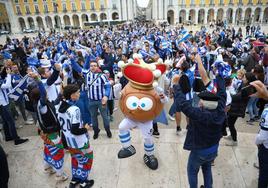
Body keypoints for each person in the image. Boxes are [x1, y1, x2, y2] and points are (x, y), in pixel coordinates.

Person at [174, 54, 227, 188]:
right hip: (213, 148)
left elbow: (183, 104)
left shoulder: (199, 114)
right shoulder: (220, 110)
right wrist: (219, 75)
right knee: (207, 169)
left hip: (200, 151)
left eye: (201, 101)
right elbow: (222, 93)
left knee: (192, 171)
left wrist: (176, 85)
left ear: (202, 104)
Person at [29, 72, 68, 182]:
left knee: (48, 150)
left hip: (46, 134)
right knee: (58, 153)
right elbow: (42, 91)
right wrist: (38, 80)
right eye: (44, 93)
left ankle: (47, 167)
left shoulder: (38, 104)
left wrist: (60, 95)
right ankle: (60, 175)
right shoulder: (42, 105)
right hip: (52, 134)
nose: (46, 93)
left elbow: (53, 105)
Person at [58, 84, 94, 188]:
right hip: (79, 141)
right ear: (72, 95)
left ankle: (75, 179)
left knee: (75, 158)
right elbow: (75, 130)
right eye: (78, 92)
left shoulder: (60, 106)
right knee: (87, 158)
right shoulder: (75, 109)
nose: (79, 94)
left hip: (69, 141)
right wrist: (85, 129)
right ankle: (84, 181)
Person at [71, 58, 112, 139]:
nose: (93, 67)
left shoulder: (102, 76)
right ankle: (96, 131)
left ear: (97, 67)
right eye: (91, 66)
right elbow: (77, 68)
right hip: (91, 101)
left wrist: (106, 96)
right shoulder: (87, 73)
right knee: (93, 118)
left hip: (101, 101)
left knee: (105, 117)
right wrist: (72, 59)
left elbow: (108, 87)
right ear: (89, 67)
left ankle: (108, 130)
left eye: (94, 66)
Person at [250, 80, 268, 188]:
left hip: (266, 149)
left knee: (264, 175)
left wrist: (257, 142)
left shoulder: (266, 113)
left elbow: (262, 136)